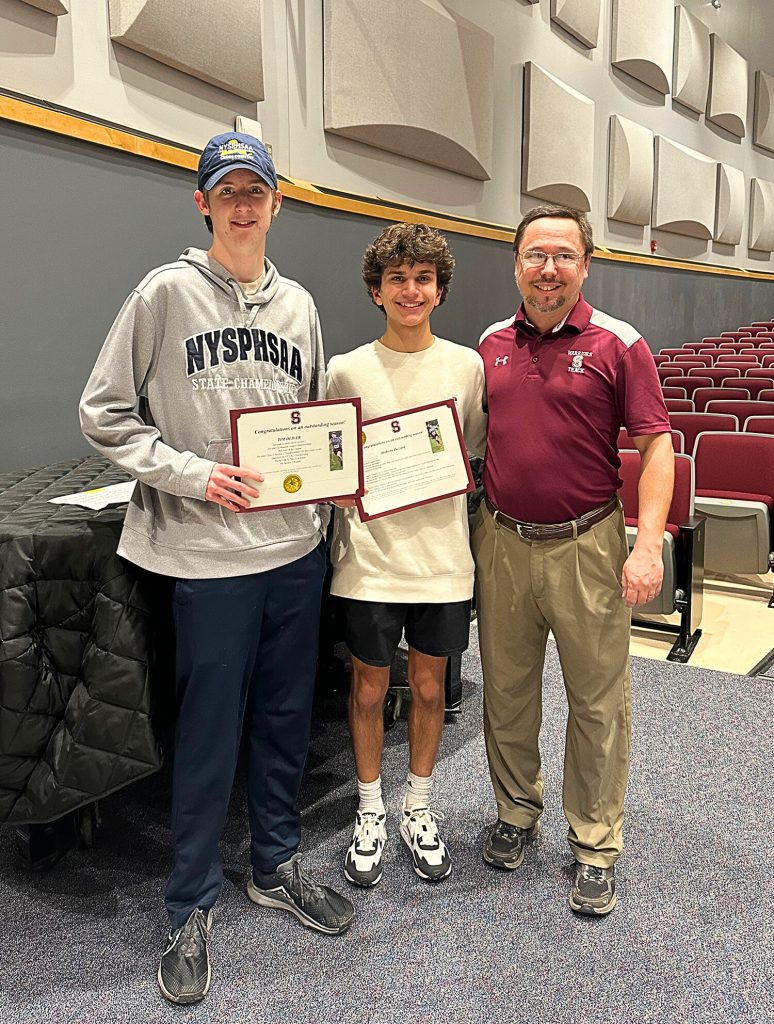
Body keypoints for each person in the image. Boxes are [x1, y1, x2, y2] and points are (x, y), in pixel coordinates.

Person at [79, 132, 354, 1006]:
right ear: (202, 203)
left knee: (284, 719)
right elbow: (104, 415)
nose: (242, 204)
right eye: (225, 191)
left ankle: (273, 864)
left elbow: (308, 418)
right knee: (207, 733)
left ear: (277, 204)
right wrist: (197, 476)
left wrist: (330, 484)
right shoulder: (164, 293)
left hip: (292, 552)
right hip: (207, 556)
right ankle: (188, 902)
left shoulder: (301, 305)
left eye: (256, 191)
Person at [473, 204, 673, 916]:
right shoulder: (490, 344)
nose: (548, 268)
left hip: (588, 545)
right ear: (516, 264)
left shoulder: (621, 344)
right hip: (502, 543)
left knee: (596, 702)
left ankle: (593, 843)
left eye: (563, 255)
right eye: (535, 255)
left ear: (586, 264)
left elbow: (656, 447)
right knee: (507, 690)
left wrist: (647, 545)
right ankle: (516, 813)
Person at [326, 223, 486, 887]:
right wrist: (343, 493)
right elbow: (332, 464)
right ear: (376, 291)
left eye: (423, 278)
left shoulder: (465, 367)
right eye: (398, 278)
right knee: (367, 688)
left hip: (442, 559)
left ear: (439, 290)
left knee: (428, 687)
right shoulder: (346, 369)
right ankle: (369, 807)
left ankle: (417, 806)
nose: (410, 289)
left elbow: (470, 449)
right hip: (367, 560)